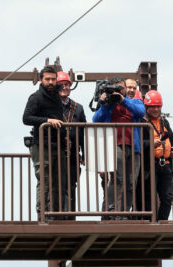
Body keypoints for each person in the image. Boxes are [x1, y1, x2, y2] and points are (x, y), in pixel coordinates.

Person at [92, 76, 146, 217]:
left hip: (134, 147)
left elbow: (141, 113)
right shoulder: (109, 104)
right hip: (115, 144)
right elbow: (96, 120)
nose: (118, 91)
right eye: (115, 88)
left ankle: (123, 212)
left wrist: (124, 100)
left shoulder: (134, 101)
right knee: (117, 179)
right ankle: (111, 210)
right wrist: (104, 103)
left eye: (121, 88)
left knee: (130, 182)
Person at [22, 65, 64, 218]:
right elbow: (26, 118)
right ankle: (42, 213)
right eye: (47, 79)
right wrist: (47, 120)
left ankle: (55, 213)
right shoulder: (36, 97)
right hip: (41, 145)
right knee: (44, 180)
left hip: (56, 144)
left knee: (57, 182)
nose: (51, 82)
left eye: (53, 79)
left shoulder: (57, 97)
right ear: (41, 80)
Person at [135, 90, 173, 220]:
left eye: (158, 106)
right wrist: (150, 144)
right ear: (146, 107)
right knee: (148, 197)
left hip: (165, 166)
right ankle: (149, 223)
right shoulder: (141, 122)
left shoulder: (164, 122)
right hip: (150, 166)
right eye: (152, 106)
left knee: (167, 197)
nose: (155, 109)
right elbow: (137, 143)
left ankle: (162, 222)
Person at [57, 71, 86, 216]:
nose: (65, 87)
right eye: (61, 84)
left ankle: (70, 217)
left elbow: (83, 133)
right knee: (56, 186)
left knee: (71, 186)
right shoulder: (51, 105)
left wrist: (85, 155)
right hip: (55, 152)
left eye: (67, 84)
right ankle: (56, 217)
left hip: (73, 153)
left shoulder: (78, 108)